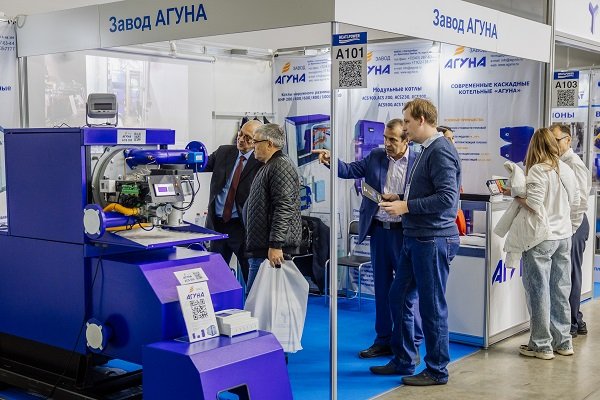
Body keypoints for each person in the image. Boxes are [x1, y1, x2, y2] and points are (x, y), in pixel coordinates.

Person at [312, 119, 423, 363]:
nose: (387, 143)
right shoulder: (376, 156)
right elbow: (348, 170)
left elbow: (422, 195)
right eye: (385, 138)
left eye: (393, 139)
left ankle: (411, 343)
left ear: (406, 140)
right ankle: (383, 341)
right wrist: (331, 161)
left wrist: (401, 200)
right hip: (380, 233)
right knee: (382, 289)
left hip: (405, 234)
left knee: (406, 292)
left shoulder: (418, 161)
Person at [376, 98, 461, 386]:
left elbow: (447, 198)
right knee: (398, 296)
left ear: (422, 120)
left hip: (433, 238)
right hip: (417, 237)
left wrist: (407, 206)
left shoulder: (441, 151)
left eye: (408, 122)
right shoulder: (427, 150)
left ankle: (437, 370)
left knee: (432, 306)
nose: (405, 128)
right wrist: (401, 198)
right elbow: (427, 191)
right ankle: (404, 359)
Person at [510, 127, 578, 360]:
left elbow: (534, 204)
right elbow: (576, 200)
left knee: (538, 292)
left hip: (541, 238)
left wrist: (516, 195)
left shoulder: (539, 170)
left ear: (535, 146)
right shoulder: (566, 169)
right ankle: (563, 342)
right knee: (560, 291)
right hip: (563, 237)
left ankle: (541, 345)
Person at [204, 120, 263, 285]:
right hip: (218, 225)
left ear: (257, 141)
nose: (241, 139)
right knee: (215, 275)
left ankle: (251, 302)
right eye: (240, 134)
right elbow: (200, 164)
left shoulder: (261, 162)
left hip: (243, 227)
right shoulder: (224, 152)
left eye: (248, 137)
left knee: (250, 275)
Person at [244, 123, 302, 291]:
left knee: (259, 301)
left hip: (270, 251)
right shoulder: (271, 165)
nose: (252, 146)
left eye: (256, 141)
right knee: (259, 300)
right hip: (263, 248)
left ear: (269, 144)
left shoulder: (280, 165)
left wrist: (276, 245)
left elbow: (284, 207)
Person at [550, 123, 591, 337]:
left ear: (568, 140)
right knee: (565, 274)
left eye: (556, 140)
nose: (552, 144)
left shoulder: (574, 164)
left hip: (574, 225)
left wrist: (571, 229)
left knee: (570, 275)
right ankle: (578, 319)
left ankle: (572, 324)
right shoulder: (558, 162)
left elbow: (580, 202)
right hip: (566, 225)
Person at [437, 125, 466, 236]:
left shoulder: (453, 156)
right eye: (448, 139)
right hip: (442, 219)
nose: (452, 142)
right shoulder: (441, 156)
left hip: (449, 217)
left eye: (453, 138)